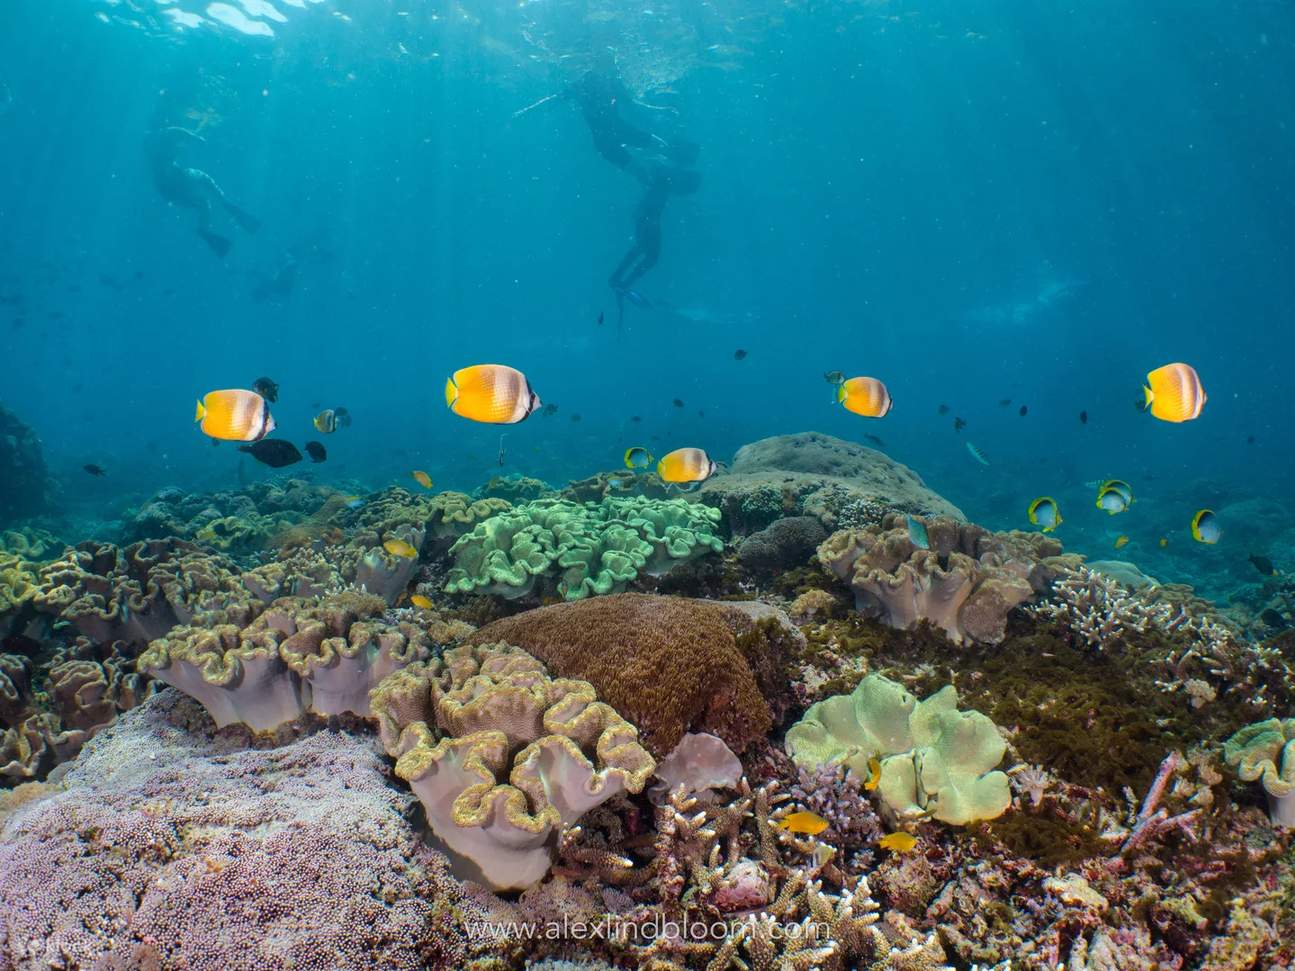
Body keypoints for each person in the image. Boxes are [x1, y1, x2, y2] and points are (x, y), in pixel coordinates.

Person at [145, 126, 260, 257]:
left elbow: (172, 135)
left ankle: (205, 231)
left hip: (168, 191)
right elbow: (172, 131)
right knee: (203, 179)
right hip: (174, 184)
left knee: (202, 202)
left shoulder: (158, 153)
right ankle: (225, 205)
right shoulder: (161, 149)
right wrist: (195, 137)